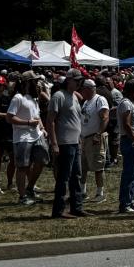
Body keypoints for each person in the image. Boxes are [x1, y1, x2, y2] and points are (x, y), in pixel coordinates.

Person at [47, 69, 89, 219]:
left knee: (76, 176)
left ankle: (76, 207)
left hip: (75, 142)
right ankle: (58, 211)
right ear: (68, 80)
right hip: (64, 143)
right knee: (63, 178)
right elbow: (50, 121)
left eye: (80, 81)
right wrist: (54, 143)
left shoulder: (74, 96)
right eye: (76, 80)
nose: (79, 83)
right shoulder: (58, 96)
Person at [7, 71, 49, 206]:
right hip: (22, 137)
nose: (37, 83)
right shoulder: (18, 98)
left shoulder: (34, 98)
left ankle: (30, 188)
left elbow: (37, 115)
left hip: (37, 135)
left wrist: (42, 128)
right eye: (35, 81)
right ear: (27, 83)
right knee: (23, 167)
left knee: (42, 160)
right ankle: (22, 196)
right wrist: (27, 123)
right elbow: (9, 117)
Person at [79, 78, 110, 204]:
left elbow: (105, 117)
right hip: (84, 138)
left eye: (83, 89)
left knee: (98, 166)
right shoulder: (86, 102)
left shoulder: (99, 99)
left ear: (88, 89)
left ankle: (100, 193)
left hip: (95, 138)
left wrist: (98, 134)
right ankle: (82, 192)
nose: (81, 91)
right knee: (83, 167)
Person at [116, 79, 134, 214]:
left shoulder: (131, 103)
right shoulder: (126, 103)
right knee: (128, 173)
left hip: (132, 140)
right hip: (129, 141)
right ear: (133, 89)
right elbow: (127, 125)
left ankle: (130, 200)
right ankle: (125, 203)